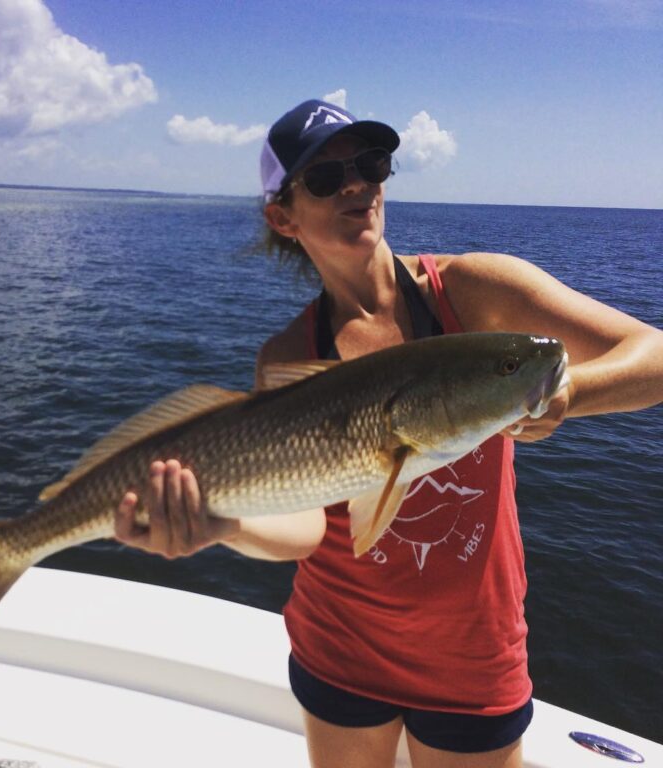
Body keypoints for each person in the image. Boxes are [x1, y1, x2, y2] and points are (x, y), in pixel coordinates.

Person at [114, 99, 663, 768]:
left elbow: (653, 354)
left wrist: (570, 395)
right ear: (282, 216)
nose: (355, 185)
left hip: (472, 656)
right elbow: (309, 528)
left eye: (369, 164)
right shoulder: (290, 356)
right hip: (336, 647)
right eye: (324, 177)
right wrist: (223, 525)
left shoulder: (473, 292)